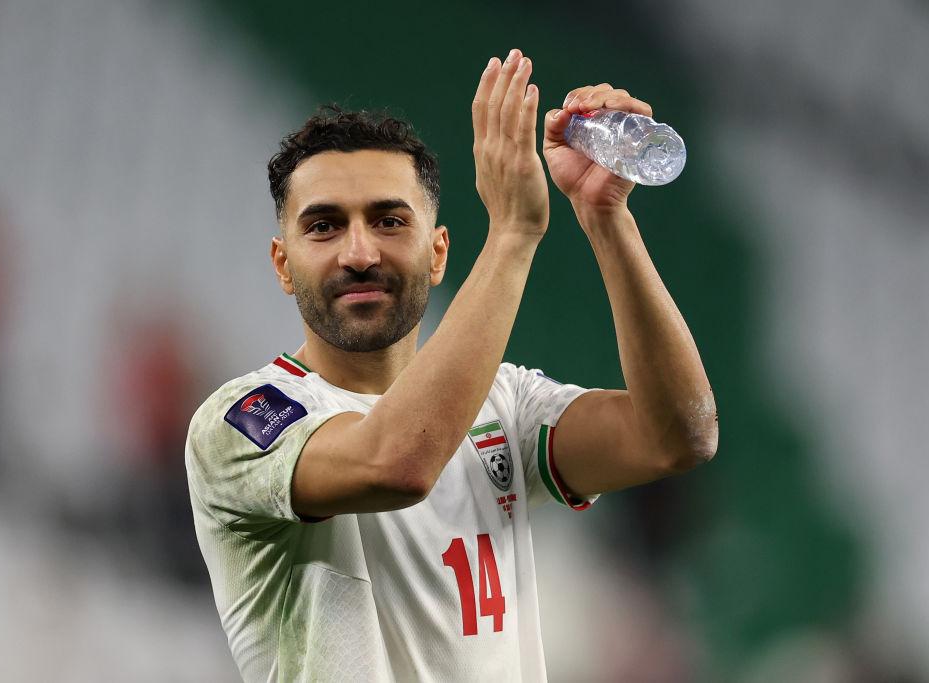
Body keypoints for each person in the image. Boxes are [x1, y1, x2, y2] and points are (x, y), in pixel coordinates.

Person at [185, 48, 718, 682]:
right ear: (283, 264)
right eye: (324, 226)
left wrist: (607, 218)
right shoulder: (239, 423)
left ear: (438, 254)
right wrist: (512, 233)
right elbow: (399, 464)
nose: (359, 253)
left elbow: (677, 437)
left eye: (389, 220)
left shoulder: (503, 403)